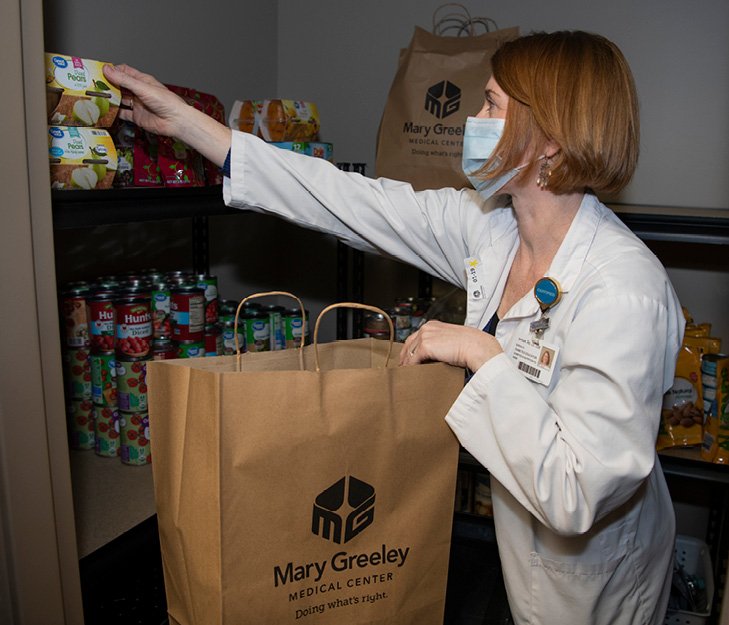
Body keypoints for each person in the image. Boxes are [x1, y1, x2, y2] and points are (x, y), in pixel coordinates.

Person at [104, 30, 684, 624]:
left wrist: (482, 355)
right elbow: (353, 201)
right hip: (523, 550)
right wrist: (190, 127)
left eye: (491, 104)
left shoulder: (623, 290)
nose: (472, 118)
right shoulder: (492, 227)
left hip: (597, 581)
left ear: (550, 145)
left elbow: (577, 492)